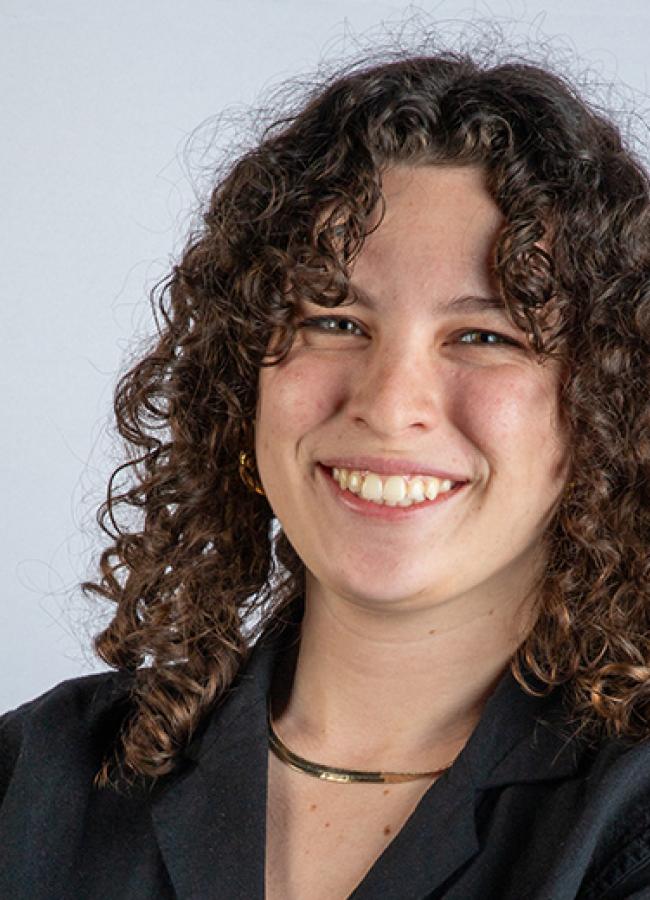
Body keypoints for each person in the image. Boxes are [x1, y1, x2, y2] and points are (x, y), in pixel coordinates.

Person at [1, 46, 649, 900]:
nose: (388, 403)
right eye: (334, 320)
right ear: (243, 383)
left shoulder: (630, 822)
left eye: (486, 336)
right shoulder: (36, 780)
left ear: (608, 404)